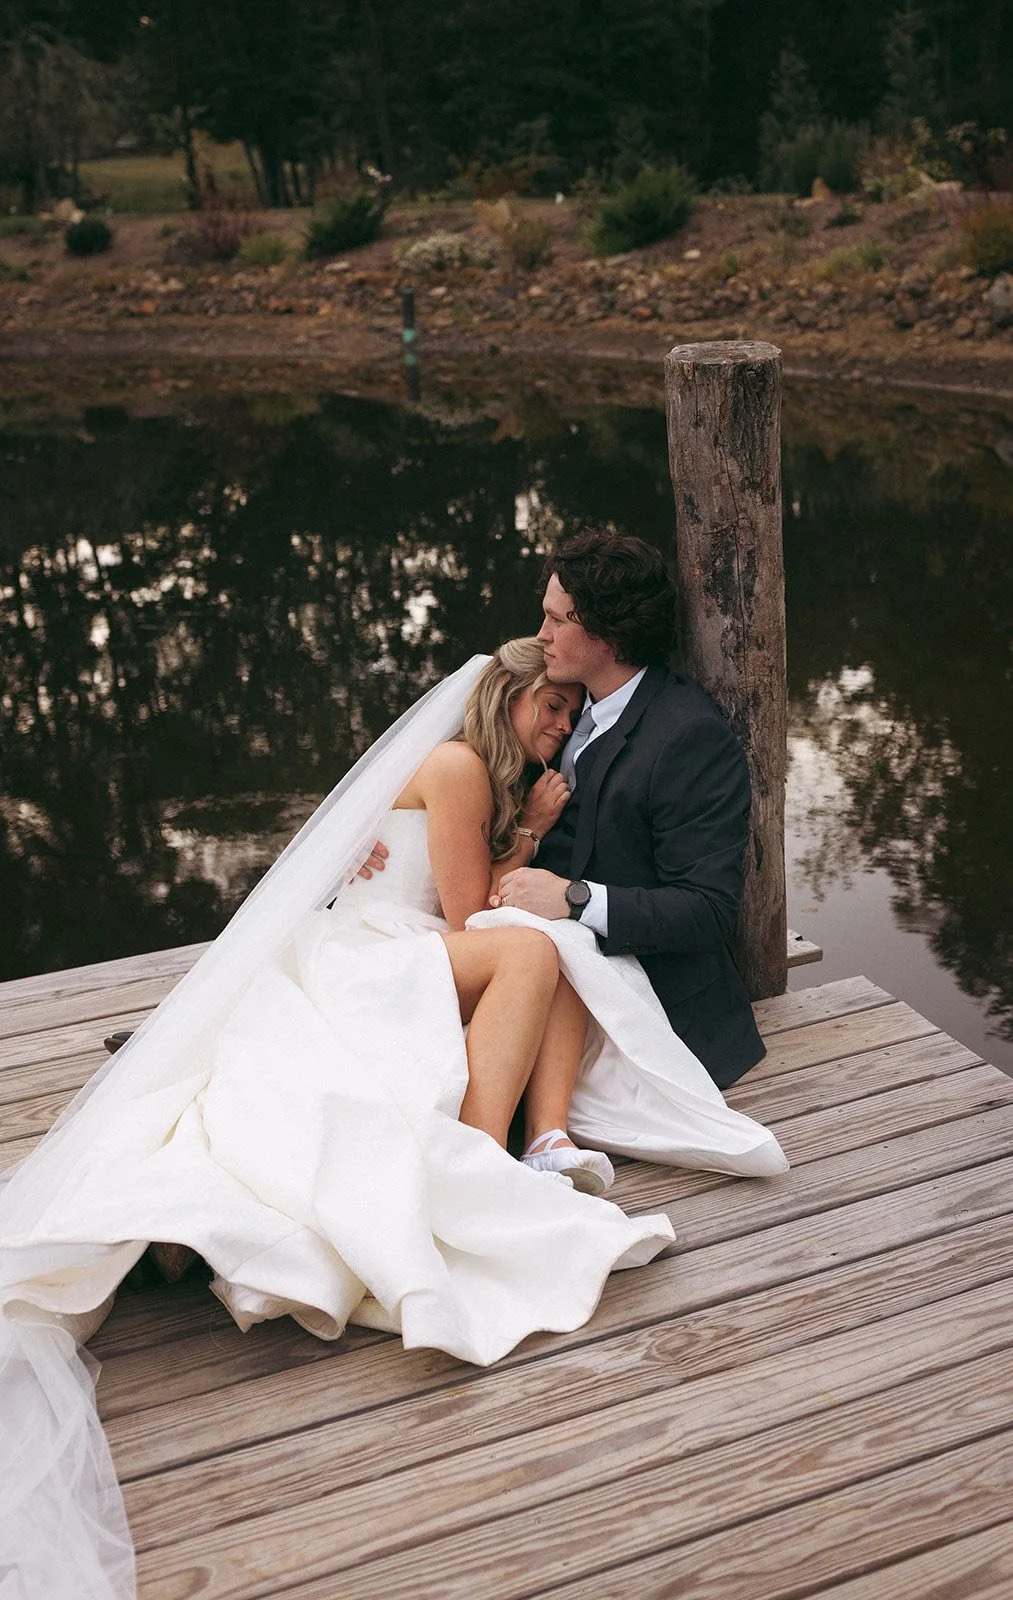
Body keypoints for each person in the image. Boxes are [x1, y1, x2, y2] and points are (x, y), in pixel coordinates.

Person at [490, 527, 767, 1092]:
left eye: (558, 620)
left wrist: (573, 898)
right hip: (545, 965)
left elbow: (708, 910)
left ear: (608, 637)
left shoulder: (689, 739)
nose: (541, 634)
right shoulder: (559, 701)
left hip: (651, 1010)